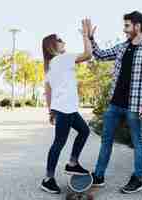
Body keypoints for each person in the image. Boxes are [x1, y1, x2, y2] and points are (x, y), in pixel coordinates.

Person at [87, 11, 142, 194]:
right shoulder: (122, 47)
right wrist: (90, 38)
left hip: (135, 106)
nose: (124, 29)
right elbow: (101, 55)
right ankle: (99, 175)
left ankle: (137, 178)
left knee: (138, 142)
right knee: (106, 140)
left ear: (137, 26)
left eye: (127, 25)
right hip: (115, 104)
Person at [41, 19, 93, 194]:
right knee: (59, 143)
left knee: (84, 131)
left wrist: (51, 111)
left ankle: (72, 163)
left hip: (65, 109)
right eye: (60, 39)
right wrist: (86, 35)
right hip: (66, 109)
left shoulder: (49, 67)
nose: (63, 41)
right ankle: (48, 179)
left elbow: (48, 91)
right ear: (53, 45)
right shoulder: (63, 59)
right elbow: (88, 54)